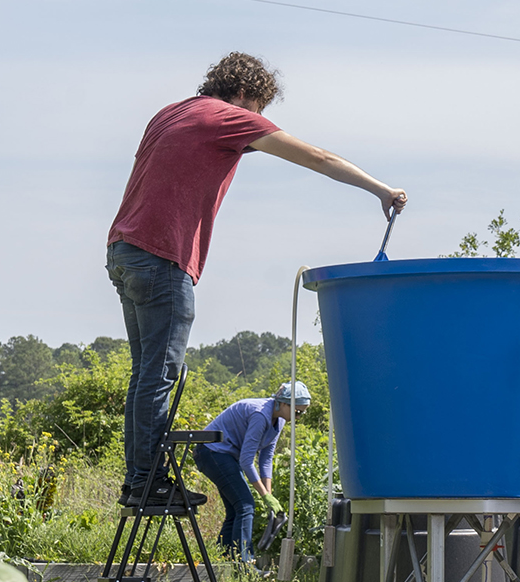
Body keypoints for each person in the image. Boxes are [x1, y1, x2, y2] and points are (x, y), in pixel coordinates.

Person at [105, 52, 405, 506]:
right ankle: (148, 483)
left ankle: (139, 480)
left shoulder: (170, 113)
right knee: (160, 373)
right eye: (260, 109)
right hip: (161, 257)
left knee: (147, 374)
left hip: (124, 251)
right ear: (245, 95)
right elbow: (318, 157)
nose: (259, 122)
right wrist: (380, 190)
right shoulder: (228, 117)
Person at [192, 381, 310, 560]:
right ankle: (245, 564)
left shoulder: (279, 419)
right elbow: (247, 461)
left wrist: (269, 494)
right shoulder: (260, 415)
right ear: (284, 403)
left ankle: (223, 559)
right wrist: (263, 495)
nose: (299, 417)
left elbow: (266, 458)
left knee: (236, 508)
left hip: (226, 455)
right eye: (297, 412)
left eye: (302, 413)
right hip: (211, 452)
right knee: (246, 506)